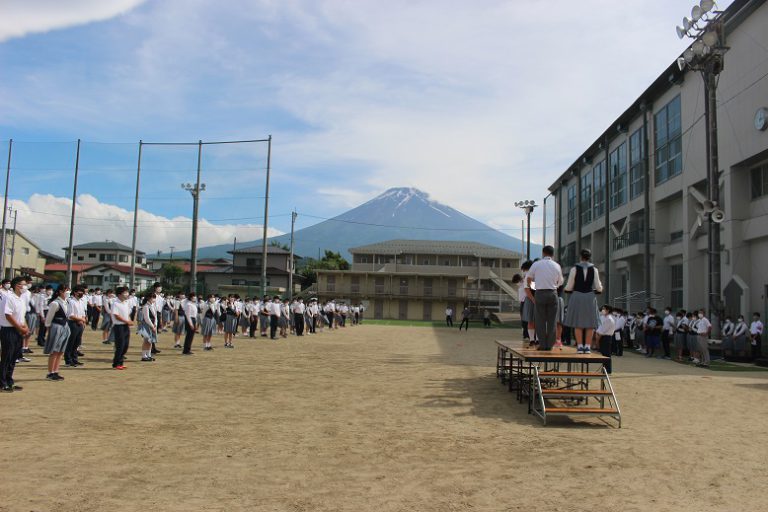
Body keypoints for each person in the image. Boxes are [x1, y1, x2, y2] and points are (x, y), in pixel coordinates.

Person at [563, 249, 601, 354]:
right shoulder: (594, 269)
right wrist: (599, 290)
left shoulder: (574, 269)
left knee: (577, 323)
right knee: (590, 324)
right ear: (590, 257)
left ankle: (580, 346)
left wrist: (567, 289)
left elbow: (569, 286)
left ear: (580, 257)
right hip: (590, 296)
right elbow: (598, 287)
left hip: (577, 295)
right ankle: (587, 347)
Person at [527, 246, 563, 351]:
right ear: (553, 254)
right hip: (552, 293)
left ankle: (543, 344)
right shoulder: (557, 266)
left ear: (543, 253)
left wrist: (534, 287)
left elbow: (529, 278)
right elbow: (560, 282)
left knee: (540, 319)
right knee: (552, 320)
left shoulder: (536, 264)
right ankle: (550, 344)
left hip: (540, 293)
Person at [0, 277, 30, 392]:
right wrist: (19, 328)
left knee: (13, 357)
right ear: (17, 285)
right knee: (7, 357)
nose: (25, 286)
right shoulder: (9, 297)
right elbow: (8, 315)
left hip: (18, 331)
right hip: (9, 330)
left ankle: (9, 381)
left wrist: (25, 327)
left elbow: (21, 316)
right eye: (23, 284)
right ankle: (2, 383)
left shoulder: (20, 299)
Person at [43, 285, 70, 381]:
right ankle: (50, 373)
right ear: (59, 292)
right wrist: (49, 329)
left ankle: (56, 371)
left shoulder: (67, 302)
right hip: (56, 327)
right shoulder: (55, 303)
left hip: (65, 326)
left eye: (68, 290)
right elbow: (48, 319)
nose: (67, 292)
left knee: (61, 351)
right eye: (65, 290)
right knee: (54, 351)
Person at [110, 287, 134, 370]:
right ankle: (116, 363)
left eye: (127, 292)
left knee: (125, 345)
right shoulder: (115, 303)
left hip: (125, 326)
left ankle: (120, 362)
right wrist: (127, 321)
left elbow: (127, 314)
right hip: (119, 326)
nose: (127, 294)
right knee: (120, 345)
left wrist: (129, 321)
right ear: (119, 294)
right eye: (125, 293)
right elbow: (116, 316)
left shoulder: (126, 303)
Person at [65, 286, 87, 367]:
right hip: (72, 323)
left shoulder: (81, 301)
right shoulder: (70, 301)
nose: (81, 294)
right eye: (79, 292)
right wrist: (80, 320)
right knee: (71, 342)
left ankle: (75, 359)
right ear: (75, 292)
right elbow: (70, 315)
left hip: (80, 323)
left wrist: (83, 320)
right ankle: (68, 360)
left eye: (82, 292)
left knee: (77, 343)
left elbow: (83, 313)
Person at [137, 294, 158, 362]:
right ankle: (144, 356)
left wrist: (155, 324)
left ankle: (148, 355)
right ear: (149, 298)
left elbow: (155, 317)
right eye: (153, 298)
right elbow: (147, 318)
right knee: (146, 340)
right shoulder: (145, 306)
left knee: (150, 341)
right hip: (146, 325)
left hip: (152, 325)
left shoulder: (153, 306)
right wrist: (152, 326)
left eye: (155, 298)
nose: (154, 299)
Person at [595, 305, 616, 373]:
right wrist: (597, 334)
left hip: (606, 337)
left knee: (607, 354)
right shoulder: (603, 317)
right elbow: (599, 327)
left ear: (608, 310)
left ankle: (608, 370)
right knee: (603, 354)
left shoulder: (609, 319)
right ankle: (604, 368)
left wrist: (597, 340)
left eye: (604, 309)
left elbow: (603, 330)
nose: (602, 310)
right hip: (601, 336)